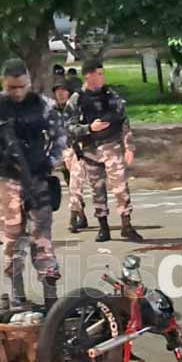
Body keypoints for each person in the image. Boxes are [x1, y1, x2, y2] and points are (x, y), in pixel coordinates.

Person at [0, 59, 66, 309]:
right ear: (3, 83)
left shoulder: (43, 105)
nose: (18, 92)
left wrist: (51, 161)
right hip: (8, 180)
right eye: (12, 87)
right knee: (13, 239)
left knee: (42, 237)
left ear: (29, 82)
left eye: (23, 86)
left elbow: (60, 136)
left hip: (37, 178)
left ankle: (51, 297)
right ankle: (16, 296)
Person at [65, 59, 142, 243]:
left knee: (120, 186)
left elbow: (123, 120)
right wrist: (89, 128)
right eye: (98, 74)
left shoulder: (110, 95)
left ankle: (126, 225)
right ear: (88, 76)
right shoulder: (76, 100)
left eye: (102, 73)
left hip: (111, 146)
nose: (102, 77)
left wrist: (129, 146)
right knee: (97, 189)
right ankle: (103, 227)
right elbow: (69, 127)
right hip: (90, 150)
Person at [51, 77, 89, 232]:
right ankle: (82, 216)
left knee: (75, 184)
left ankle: (73, 218)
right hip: (63, 152)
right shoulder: (52, 111)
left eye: (63, 91)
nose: (60, 94)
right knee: (71, 183)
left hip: (79, 149)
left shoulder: (77, 107)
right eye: (57, 91)